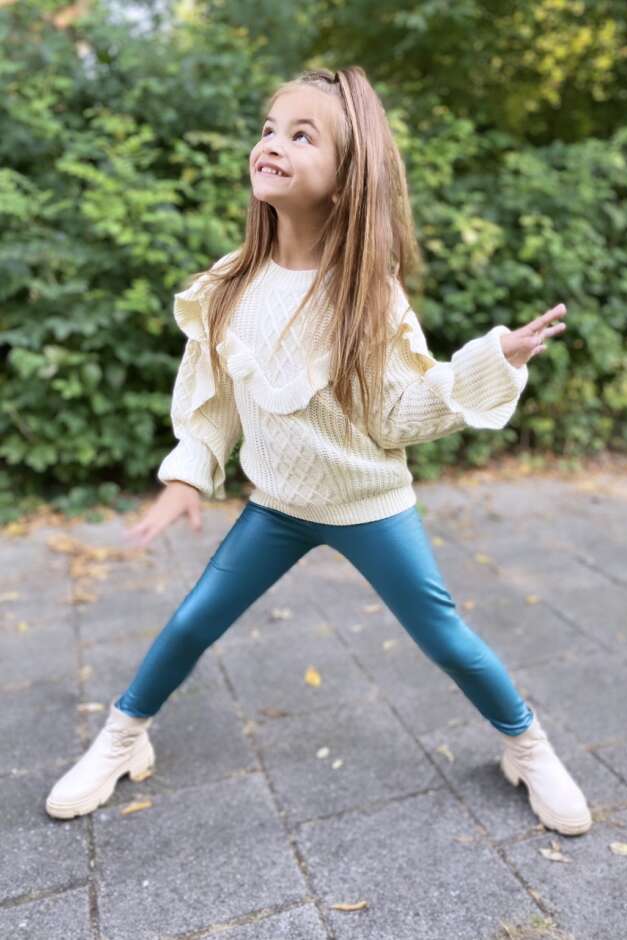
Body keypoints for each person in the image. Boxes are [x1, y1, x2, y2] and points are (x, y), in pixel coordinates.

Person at [45, 66, 592, 836]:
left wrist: (489, 360)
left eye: (303, 136)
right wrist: (187, 478)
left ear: (345, 181)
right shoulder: (228, 286)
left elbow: (397, 415)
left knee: (446, 639)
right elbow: (212, 404)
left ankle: (528, 747)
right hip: (277, 507)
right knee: (192, 621)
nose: (273, 144)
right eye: (270, 129)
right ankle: (123, 737)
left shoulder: (367, 295)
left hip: (369, 506)